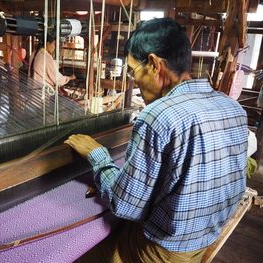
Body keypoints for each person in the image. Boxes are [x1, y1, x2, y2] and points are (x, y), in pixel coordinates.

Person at [65, 18, 248, 263]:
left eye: (133, 71)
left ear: (154, 64)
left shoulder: (158, 116)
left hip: (161, 251)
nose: (135, 82)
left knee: (78, 255)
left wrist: (98, 156)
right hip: (204, 240)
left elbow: (124, 205)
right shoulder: (232, 107)